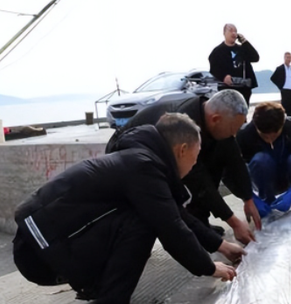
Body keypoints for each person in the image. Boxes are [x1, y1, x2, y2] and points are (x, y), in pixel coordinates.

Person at [13, 113, 242, 304]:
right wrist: (208, 267)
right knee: (143, 221)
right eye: (194, 160)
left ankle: (97, 286)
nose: (193, 166)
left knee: (147, 213)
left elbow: (172, 212)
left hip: (42, 245)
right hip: (39, 252)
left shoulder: (140, 161)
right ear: (182, 150)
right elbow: (171, 226)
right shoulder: (143, 167)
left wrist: (221, 245)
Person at [107, 90, 260, 245]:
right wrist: (233, 221)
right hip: (129, 155)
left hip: (165, 153)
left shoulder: (213, 116)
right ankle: (190, 226)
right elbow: (197, 180)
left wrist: (248, 198)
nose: (234, 134)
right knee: (180, 188)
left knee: (218, 153)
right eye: (233, 129)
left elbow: (234, 158)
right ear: (215, 119)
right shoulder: (184, 124)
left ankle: (200, 220)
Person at [237, 102, 291, 216]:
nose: (269, 140)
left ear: (282, 125)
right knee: (260, 160)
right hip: (263, 178)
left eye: (274, 135)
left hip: (288, 173)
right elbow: (232, 172)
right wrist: (249, 198)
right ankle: (265, 203)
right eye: (264, 135)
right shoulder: (244, 134)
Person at [209, 24, 259, 105]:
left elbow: (255, 58)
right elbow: (213, 68)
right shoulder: (217, 51)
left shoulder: (242, 49)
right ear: (224, 33)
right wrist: (223, 76)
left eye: (235, 31)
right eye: (231, 30)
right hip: (227, 88)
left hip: (243, 87)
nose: (233, 33)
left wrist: (244, 41)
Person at [270, 52, 291, 117]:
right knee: (285, 107)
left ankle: (290, 119)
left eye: (290, 57)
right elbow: (273, 78)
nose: (289, 59)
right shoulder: (280, 68)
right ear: (284, 58)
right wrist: (280, 85)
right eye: (287, 57)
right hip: (285, 90)